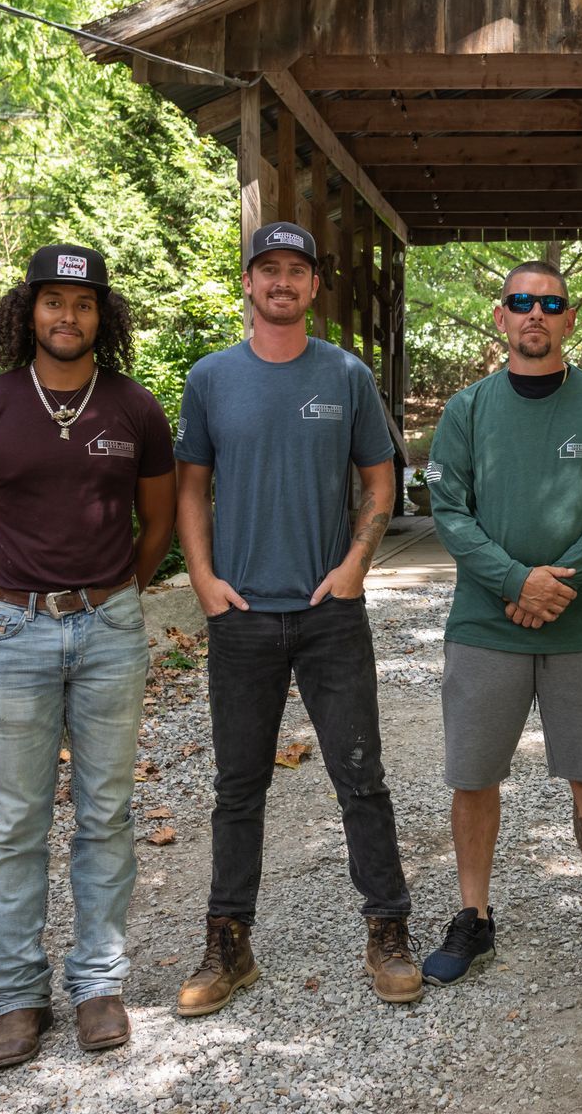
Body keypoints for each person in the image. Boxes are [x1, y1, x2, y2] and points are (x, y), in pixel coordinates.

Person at [172, 221, 420, 1012]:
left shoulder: (346, 376)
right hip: (241, 615)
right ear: (248, 283)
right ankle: (228, 944)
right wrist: (205, 581)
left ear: (315, 287)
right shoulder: (210, 378)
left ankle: (388, 930)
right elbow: (189, 488)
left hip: (328, 615)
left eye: (296, 271)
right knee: (238, 787)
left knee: (361, 779)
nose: (281, 282)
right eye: (267, 269)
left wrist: (355, 567)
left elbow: (381, 482)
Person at [0, 244, 175, 1068]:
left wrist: (110, 601)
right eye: (52, 301)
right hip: (16, 635)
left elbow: (157, 527)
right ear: (27, 310)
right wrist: (14, 612)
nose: (67, 316)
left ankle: (99, 984)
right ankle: (17, 998)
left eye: (83, 303)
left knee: (106, 813)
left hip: (111, 630)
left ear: (104, 316)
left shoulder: (137, 410)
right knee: (17, 823)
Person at [420, 261, 582, 989]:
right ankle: (473, 917)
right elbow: (449, 511)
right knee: (473, 776)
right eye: (521, 302)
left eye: (551, 304)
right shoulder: (468, 410)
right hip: (486, 626)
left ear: (569, 320)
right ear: (501, 317)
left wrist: (558, 583)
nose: (535, 314)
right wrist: (514, 581)